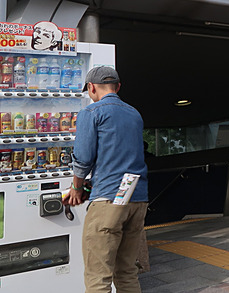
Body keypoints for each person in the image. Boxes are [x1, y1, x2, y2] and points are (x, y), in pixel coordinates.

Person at [66, 66, 148, 293]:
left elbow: (82, 159)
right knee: (127, 272)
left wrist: (76, 187)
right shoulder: (134, 113)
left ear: (91, 87)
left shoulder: (91, 113)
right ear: (118, 87)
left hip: (108, 200)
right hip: (137, 197)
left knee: (98, 277)